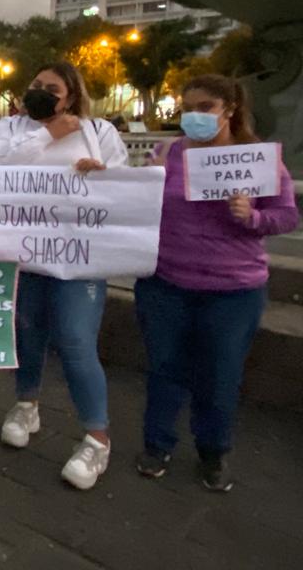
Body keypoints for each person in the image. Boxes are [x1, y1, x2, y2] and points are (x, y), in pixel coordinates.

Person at [135, 75, 298, 492]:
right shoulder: (168, 152)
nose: (194, 115)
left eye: (205, 107)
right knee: (164, 368)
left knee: (220, 374)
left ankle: (213, 450)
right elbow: (138, 210)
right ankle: (157, 444)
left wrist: (252, 217)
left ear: (229, 110)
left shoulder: (256, 160)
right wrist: (143, 184)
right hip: (166, 282)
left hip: (234, 290)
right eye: (187, 107)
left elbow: (286, 216)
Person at [0, 61, 127, 491]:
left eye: (52, 87)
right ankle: (26, 404)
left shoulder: (99, 132)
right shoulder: (9, 130)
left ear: (71, 95)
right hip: (25, 255)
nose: (41, 92)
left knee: (75, 340)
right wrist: (49, 135)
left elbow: (121, 184)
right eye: (35, 84)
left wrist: (102, 177)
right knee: (27, 331)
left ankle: (96, 437)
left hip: (78, 257)